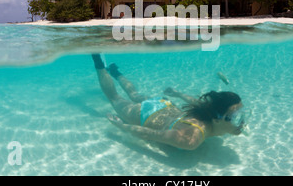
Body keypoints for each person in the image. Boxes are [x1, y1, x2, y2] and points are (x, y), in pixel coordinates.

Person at [92, 54, 250, 150]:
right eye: (236, 116)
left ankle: (115, 71)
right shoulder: (191, 140)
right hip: (145, 115)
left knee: (134, 94)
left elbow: (196, 101)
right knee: (114, 98)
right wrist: (121, 125)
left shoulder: (209, 113)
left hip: (163, 104)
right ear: (216, 119)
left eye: (241, 114)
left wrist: (178, 93)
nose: (242, 122)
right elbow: (152, 134)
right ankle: (98, 62)